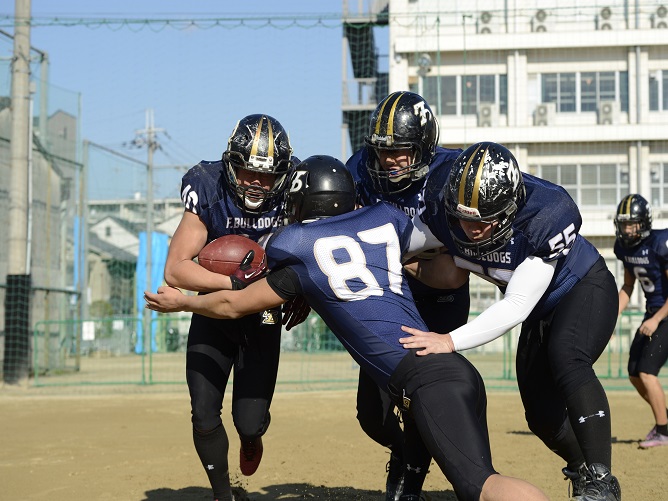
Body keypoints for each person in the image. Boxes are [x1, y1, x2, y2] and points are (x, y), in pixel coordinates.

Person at [146, 155, 549, 501]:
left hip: (423, 379)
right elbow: (440, 259)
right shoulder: (385, 220)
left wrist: (183, 303)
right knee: (469, 478)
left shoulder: (296, 246)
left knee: (483, 485)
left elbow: (234, 303)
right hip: (451, 367)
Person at [400, 142, 621, 501]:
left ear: (510, 207)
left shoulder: (544, 216)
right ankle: (582, 468)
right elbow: (399, 242)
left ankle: (602, 482)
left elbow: (516, 305)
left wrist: (449, 340)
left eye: (484, 219)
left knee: (568, 356)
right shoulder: (443, 210)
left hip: (583, 286)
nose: (471, 229)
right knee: (541, 416)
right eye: (464, 218)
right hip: (540, 310)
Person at [163, 114, 297, 501]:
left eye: (268, 175)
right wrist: (235, 283)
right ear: (230, 164)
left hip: (264, 315)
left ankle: (252, 437)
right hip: (212, 314)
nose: (257, 182)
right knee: (204, 411)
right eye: (247, 171)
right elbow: (176, 269)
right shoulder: (207, 185)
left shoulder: (294, 193)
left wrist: (300, 291)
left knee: (249, 422)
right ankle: (224, 495)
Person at [345, 90, 469, 501]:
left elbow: (449, 275)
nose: (391, 160)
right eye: (384, 151)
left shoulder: (450, 173)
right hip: (387, 296)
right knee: (372, 415)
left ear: (425, 147)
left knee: (424, 399)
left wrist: (388, 256)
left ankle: (411, 478)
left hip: (440, 301)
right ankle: (406, 454)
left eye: (402, 150)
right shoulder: (360, 172)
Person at [614, 193, 668, 449]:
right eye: (624, 223)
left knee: (647, 372)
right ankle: (664, 419)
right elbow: (627, 285)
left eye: (632, 223)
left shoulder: (660, 243)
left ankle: (664, 430)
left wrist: (657, 319)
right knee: (634, 373)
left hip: (664, 314)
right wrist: (612, 314)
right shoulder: (624, 247)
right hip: (653, 313)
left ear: (644, 222)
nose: (627, 229)